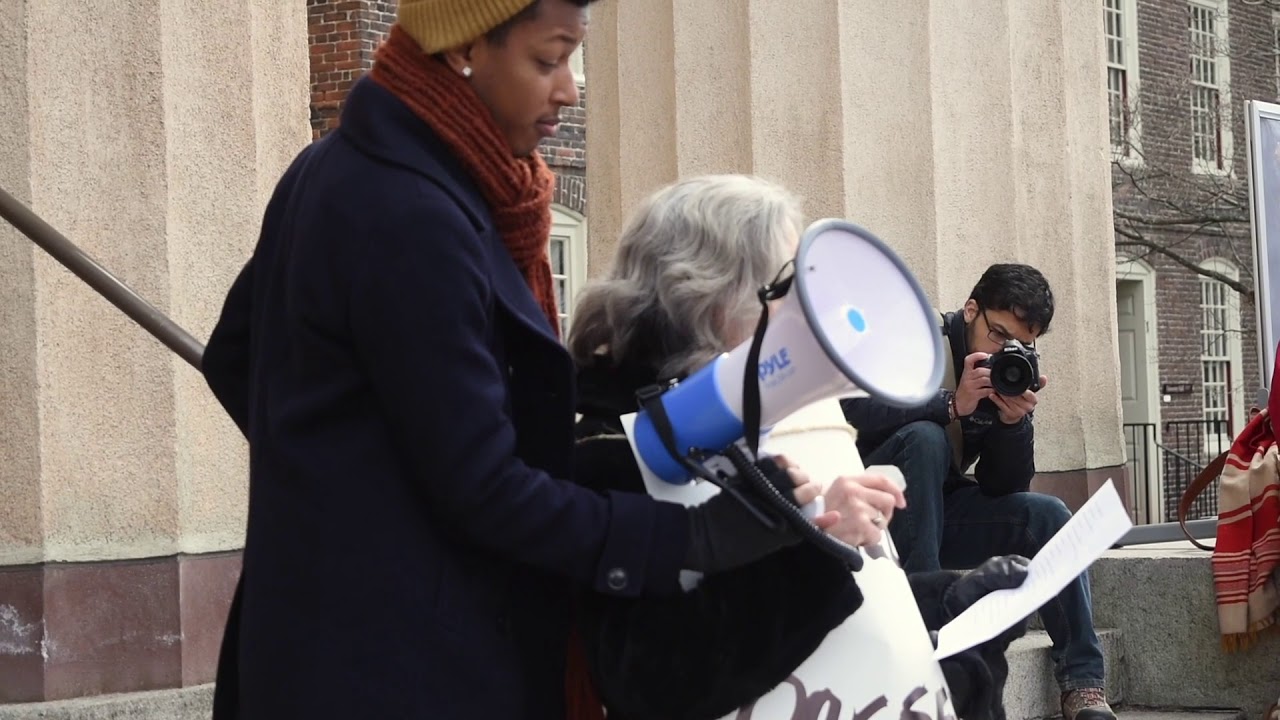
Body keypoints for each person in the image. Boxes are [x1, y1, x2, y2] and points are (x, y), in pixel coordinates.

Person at [200, 3, 857, 718]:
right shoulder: (414, 214)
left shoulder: (334, 168)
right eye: (549, 58)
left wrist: (349, 481)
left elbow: (235, 356)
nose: (569, 88)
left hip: (325, 634)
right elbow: (485, 485)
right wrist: (697, 538)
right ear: (463, 50)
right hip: (397, 663)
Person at [566, 175, 1033, 720]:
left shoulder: (757, 416)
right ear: (714, 294)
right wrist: (818, 546)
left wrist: (952, 603)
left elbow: (826, 621)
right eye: (788, 283)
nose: (809, 308)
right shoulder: (611, 443)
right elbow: (653, 677)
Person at [841, 263, 1115, 720]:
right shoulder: (916, 337)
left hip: (937, 511)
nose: (1005, 350)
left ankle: (1083, 684)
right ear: (970, 310)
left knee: (1047, 515)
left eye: (1021, 343)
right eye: (998, 334)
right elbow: (852, 407)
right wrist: (950, 404)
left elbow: (1003, 487)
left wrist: (1013, 423)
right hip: (870, 509)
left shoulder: (1009, 371)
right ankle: (926, 633)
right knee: (926, 438)